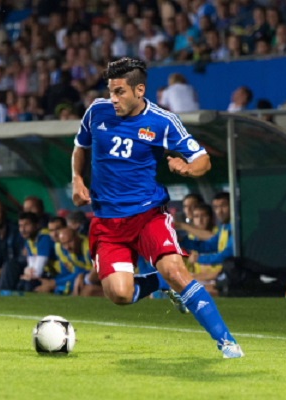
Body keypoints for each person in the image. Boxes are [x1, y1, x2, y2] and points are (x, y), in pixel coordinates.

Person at [71, 57, 244, 358]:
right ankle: (158, 281)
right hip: (107, 223)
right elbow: (80, 147)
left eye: (120, 92)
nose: (113, 98)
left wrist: (187, 168)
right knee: (120, 294)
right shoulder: (96, 111)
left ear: (139, 90)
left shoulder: (162, 121)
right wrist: (76, 178)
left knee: (177, 271)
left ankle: (228, 343)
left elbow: (202, 159)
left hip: (147, 216)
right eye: (111, 91)